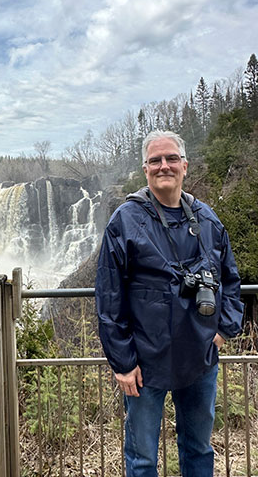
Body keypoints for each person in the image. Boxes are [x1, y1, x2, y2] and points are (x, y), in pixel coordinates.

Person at [95, 130, 244, 477]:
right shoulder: (126, 221)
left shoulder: (207, 220)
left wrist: (223, 330)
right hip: (144, 364)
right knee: (143, 458)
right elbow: (109, 296)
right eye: (156, 160)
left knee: (198, 449)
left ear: (185, 166)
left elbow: (231, 281)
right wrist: (123, 362)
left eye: (171, 158)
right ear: (145, 169)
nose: (164, 166)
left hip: (200, 358)